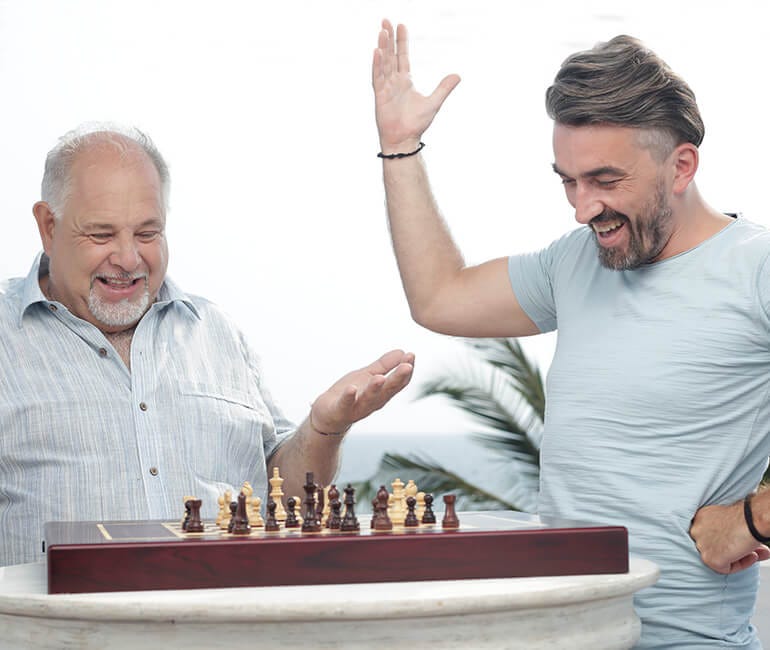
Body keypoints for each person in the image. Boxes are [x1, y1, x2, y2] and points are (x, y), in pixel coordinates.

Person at [371, 19, 770, 649]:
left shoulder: (756, 267)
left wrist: (754, 518)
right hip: (563, 633)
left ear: (682, 165)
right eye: (568, 180)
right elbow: (440, 297)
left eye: (606, 182)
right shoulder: (575, 261)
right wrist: (399, 148)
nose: (582, 208)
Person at [0, 122, 414, 568]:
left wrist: (324, 428)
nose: (127, 258)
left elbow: (279, 499)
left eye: (147, 233)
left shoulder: (216, 331)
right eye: (101, 235)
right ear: (48, 226)